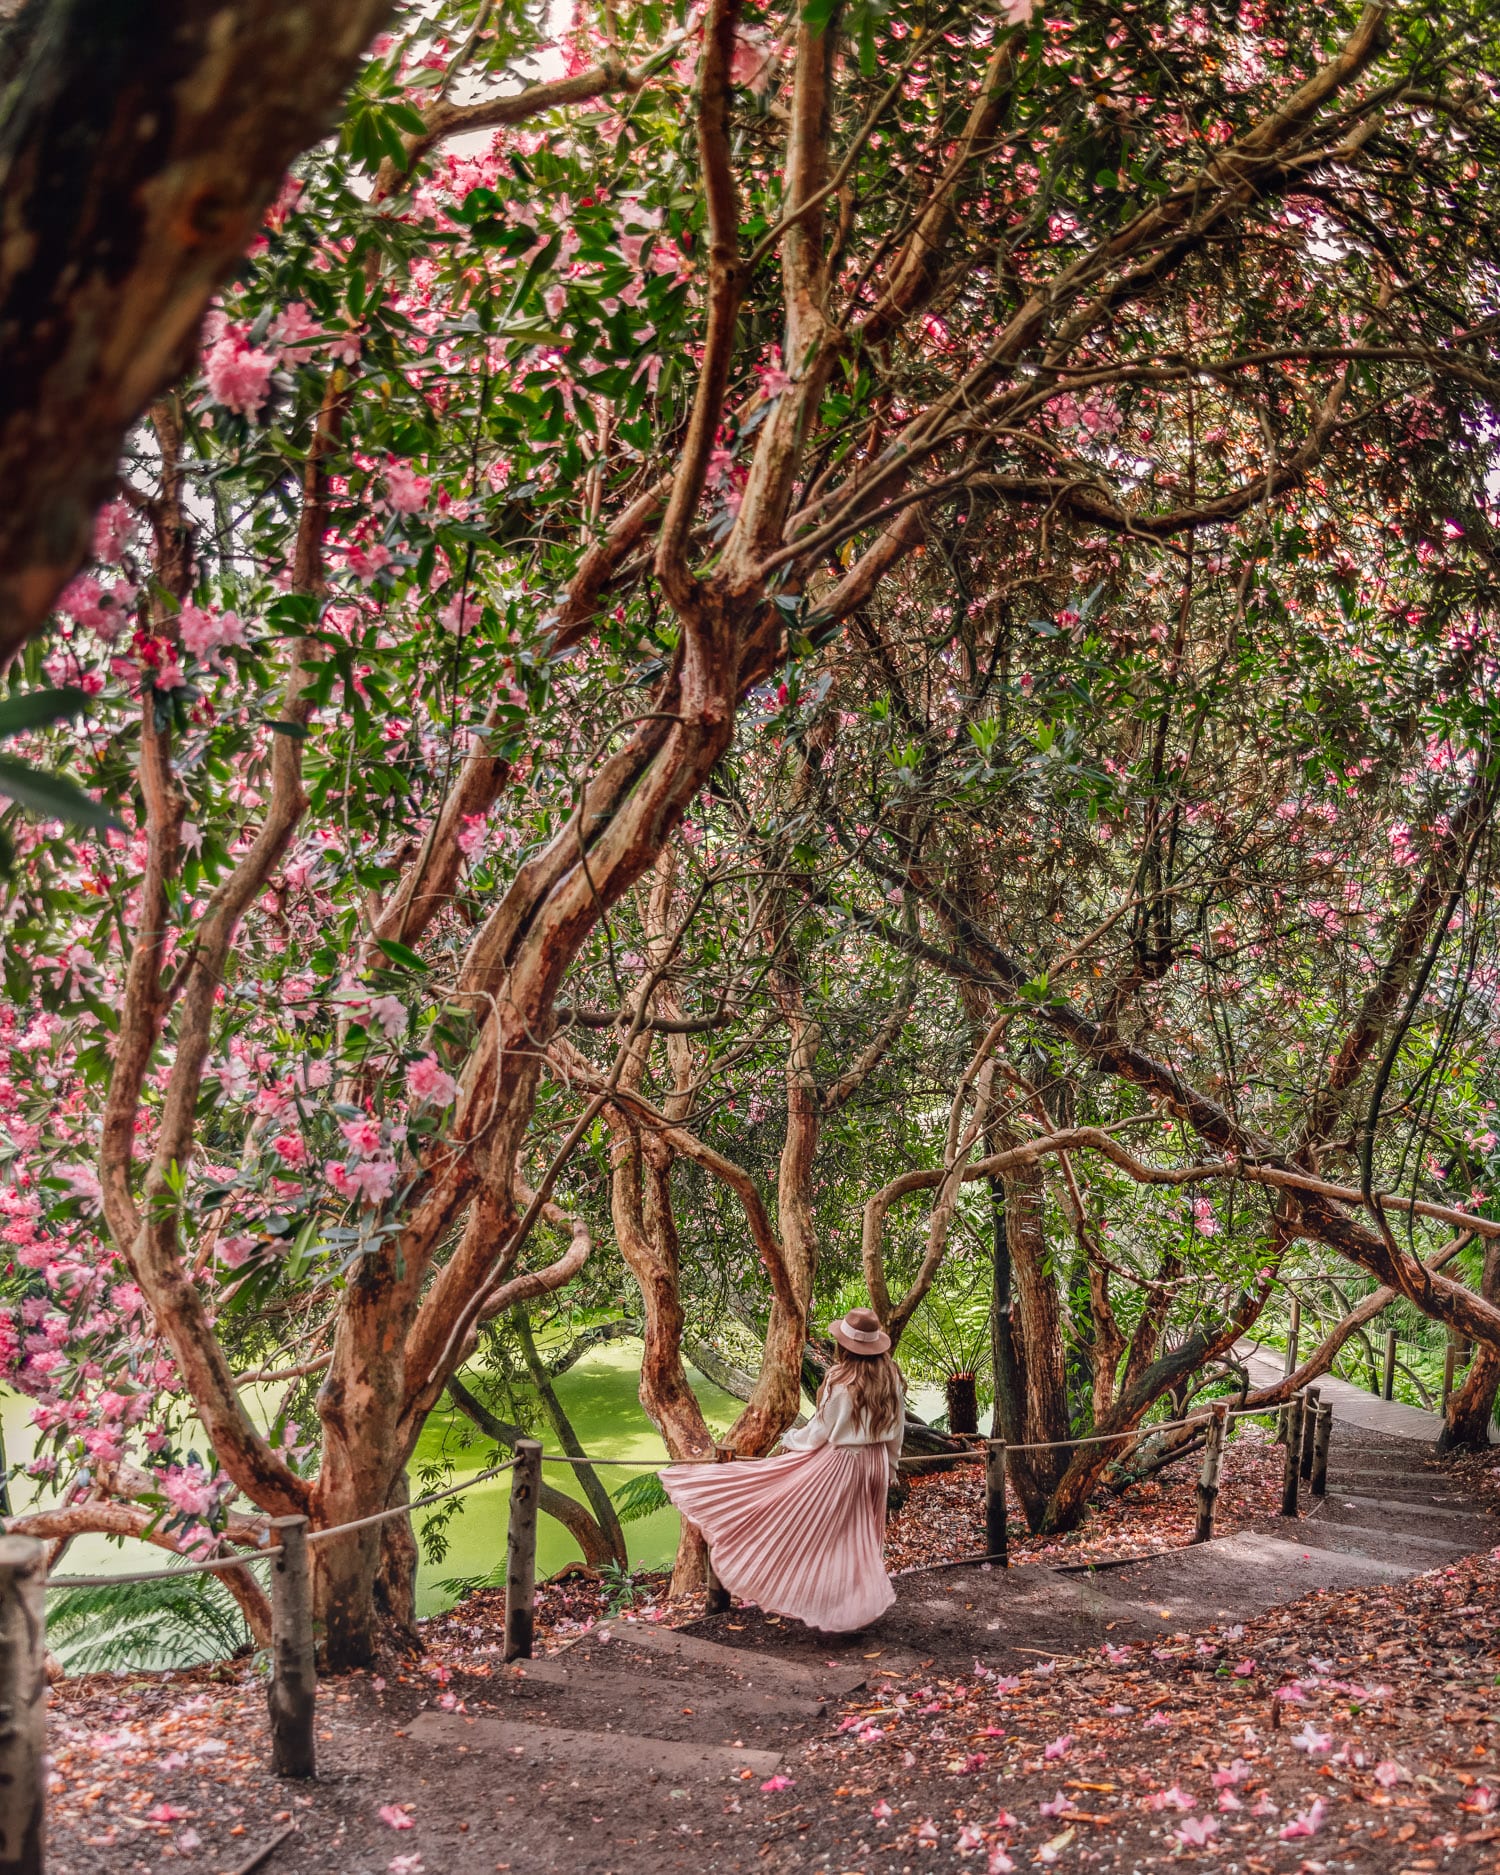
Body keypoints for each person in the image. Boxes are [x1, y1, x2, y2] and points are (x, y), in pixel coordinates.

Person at [660, 1307, 905, 1632]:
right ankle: (850, 1606)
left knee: (814, 1528)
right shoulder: (891, 1378)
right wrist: (890, 1467)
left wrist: (791, 1440)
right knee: (858, 1535)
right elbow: (898, 1430)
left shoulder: (839, 1379)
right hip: (874, 1465)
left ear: (844, 1346)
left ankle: (836, 1606)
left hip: (842, 1463)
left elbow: (820, 1432)